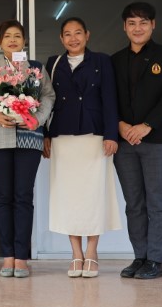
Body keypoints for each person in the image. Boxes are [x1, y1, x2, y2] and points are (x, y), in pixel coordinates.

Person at [0, 20, 54, 278]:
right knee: (3, 198)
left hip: (29, 138)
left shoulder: (35, 68)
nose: (12, 40)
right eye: (7, 36)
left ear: (24, 41)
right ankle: (7, 256)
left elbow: (48, 96)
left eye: (17, 36)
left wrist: (37, 119)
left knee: (23, 197)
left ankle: (22, 257)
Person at [43, 17, 121, 278]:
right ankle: (76, 253)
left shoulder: (101, 61)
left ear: (87, 35)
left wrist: (111, 135)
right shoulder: (53, 63)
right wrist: (45, 135)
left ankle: (92, 251)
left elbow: (110, 99)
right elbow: (46, 102)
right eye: (67, 34)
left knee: (94, 195)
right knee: (69, 197)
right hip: (63, 137)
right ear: (61, 38)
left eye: (78, 33)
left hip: (94, 136)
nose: (73, 38)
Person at [111, 3, 162, 280]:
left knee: (157, 202)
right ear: (124, 27)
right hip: (124, 142)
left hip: (156, 140)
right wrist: (120, 125)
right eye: (131, 23)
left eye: (143, 22)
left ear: (153, 25)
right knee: (134, 203)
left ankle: (155, 259)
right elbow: (109, 99)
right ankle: (140, 256)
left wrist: (146, 125)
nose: (137, 28)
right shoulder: (115, 60)